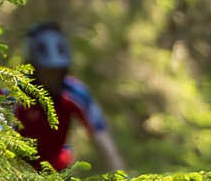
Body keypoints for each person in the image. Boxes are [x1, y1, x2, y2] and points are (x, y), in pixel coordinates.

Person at [14, 22, 128, 173]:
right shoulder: (14, 92)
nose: (53, 76)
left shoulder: (74, 92)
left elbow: (101, 135)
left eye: (58, 71)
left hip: (57, 173)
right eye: (48, 70)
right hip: (15, 172)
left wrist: (122, 180)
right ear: (34, 68)